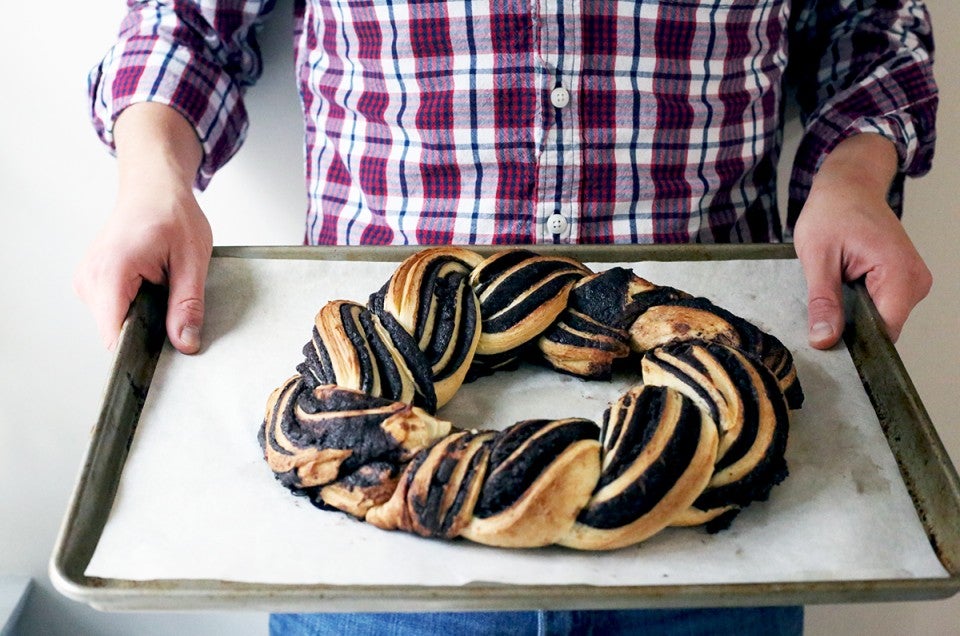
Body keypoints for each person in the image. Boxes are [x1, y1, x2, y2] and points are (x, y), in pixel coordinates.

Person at [74, 0, 937, 634]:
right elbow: (181, 21)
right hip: (370, 556)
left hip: (716, 539)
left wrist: (855, 181)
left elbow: (872, 22)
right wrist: (152, 178)